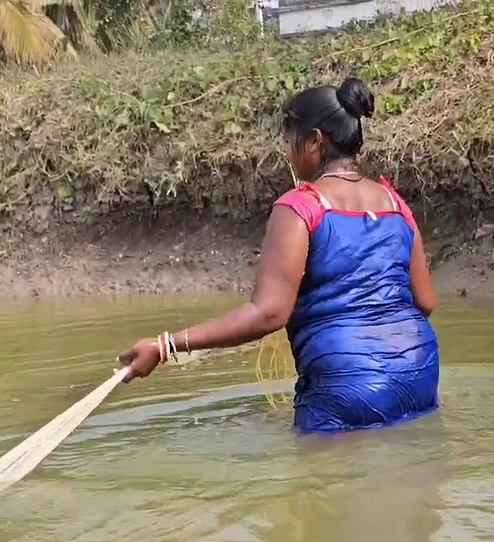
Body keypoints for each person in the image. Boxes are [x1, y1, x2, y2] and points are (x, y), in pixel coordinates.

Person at [117, 77, 440, 434]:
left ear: (315, 140)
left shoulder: (301, 206)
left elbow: (269, 313)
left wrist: (165, 346)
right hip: (419, 371)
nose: (288, 152)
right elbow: (424, 302)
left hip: (346, 387)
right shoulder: (394, 203)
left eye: (290, 142)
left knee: (327, 484)